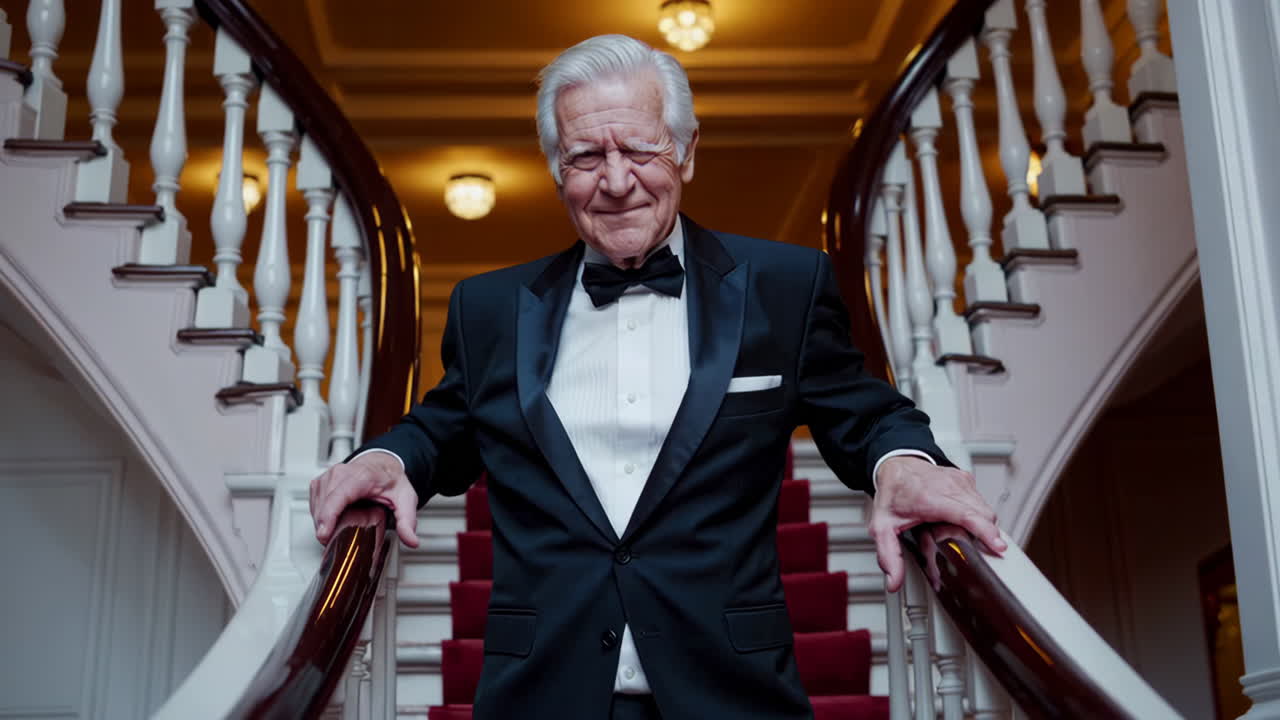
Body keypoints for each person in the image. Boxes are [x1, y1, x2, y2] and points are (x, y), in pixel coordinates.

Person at [310, 33, 1004, 720]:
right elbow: (448, 425)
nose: (616, 182)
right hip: (541, 691)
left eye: (640, 149)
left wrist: (903, 465)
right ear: (557, 171)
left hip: (731, 690)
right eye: (585, 157)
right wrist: (385, 457)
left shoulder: (785, 287)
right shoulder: (488, 308)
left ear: (687, 150)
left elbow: (864, 413)